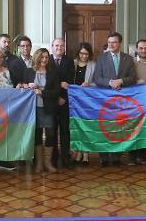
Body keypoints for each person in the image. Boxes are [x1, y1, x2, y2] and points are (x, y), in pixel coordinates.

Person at [93, 32, 137, 166]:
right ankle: (104, 157)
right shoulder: (101, 58)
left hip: (122, 100)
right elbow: (97, 78)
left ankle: (117, 156)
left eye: (114, 42)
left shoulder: (128, 59)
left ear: (120, 43)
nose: (111, 44)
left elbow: (133, 78)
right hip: (105, 100)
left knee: (119, 127)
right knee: (105, 127)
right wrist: (110, 82)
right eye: (109, 42)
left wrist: (121, 81)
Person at [20, 48, 60, 174]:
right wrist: (25, 86)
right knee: (36, 135)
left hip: (48, 108)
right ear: (37, 57)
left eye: (46, 57)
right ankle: (39, 163)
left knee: (50, 134)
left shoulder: (53, 72)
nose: (44, 60)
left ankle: (48, 163)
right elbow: (23, 86)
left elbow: (57, 91)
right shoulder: (28, 71)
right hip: (33, 108)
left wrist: (42, 92)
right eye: (42, 57)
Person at [50, 38, 74, 168]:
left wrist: (63, 97)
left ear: (64, 47)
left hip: (65, 101)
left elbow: (70, 80)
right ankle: (53, 158)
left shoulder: (69, 61)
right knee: (52, 131)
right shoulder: (46, 60)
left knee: (65, 131)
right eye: (56, 45)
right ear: (52, 47)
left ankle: (66, 157)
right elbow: (46, 81)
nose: (59, 47)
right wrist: (59, 86)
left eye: (61, 45)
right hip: (51, 101)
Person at [72, 43, 96, 165]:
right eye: (81, 53)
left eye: (86, 54)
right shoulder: (73, 63)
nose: (83, 56)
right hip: (74, 101)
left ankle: (86, 154)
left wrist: (89, 84)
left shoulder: (93, 65)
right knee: (76, 126)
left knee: (86, 126)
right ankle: (78, 152)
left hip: (87, 100)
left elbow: (97, 82)